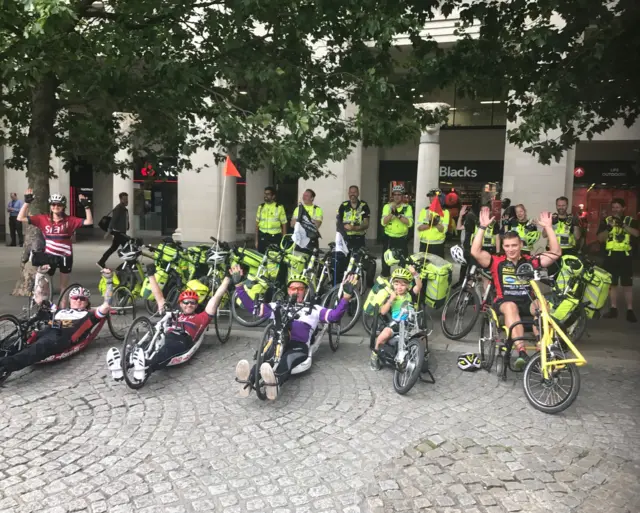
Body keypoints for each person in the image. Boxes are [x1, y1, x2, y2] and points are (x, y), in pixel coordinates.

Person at [232, 264, 358, 400]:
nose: (296, 291)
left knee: (288, 358)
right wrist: (239, 287)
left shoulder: (314, 309)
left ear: (305, 291)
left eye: (300, 289)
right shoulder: (278, 306)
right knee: (266, 357)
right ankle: (248, 381)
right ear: (288, 290)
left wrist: (345, 297)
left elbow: (334, 316)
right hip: (277, 341)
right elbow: (254, 308)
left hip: (298, 345)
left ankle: (276, 383)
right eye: (293, 288)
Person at [106, 263, 232, 381]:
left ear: (196, 305)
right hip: (164, 334)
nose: (189, 305)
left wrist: (227, 278)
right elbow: (159, 297)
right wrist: (151, 275)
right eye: (185, 302)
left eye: (192, 302)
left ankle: (147, 366)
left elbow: (216, 298)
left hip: (182, 339)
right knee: (143, 346)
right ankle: (122, 365)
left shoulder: (201, 317)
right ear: (180, 304)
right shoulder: (173, 314)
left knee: (165, 348)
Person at [472, 207, 561, 370]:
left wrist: (548, 227)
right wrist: (482, 227)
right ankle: (521, 352)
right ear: (503, 247)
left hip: (528, 301)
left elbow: (555, 253)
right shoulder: (497, 261)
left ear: (521, 244)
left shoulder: (530, 261)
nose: (511, 249)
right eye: (507, 246)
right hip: (505, 301)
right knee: (511, 307)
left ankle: (544, 348)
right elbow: (475, 251)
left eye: (514, 245)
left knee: (543, 306)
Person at [0, 266, 114, 380]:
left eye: (82, 298)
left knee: (33, 350)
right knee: (16, 341)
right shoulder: (60, 310)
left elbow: (106, 305)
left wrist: (109, 280)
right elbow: (40, 299)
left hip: (60, 338)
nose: (78, 300)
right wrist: (40, 275)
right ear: (70, 300)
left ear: (87, 302)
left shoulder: (90, 315)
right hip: (45, 331)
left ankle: (4, 364)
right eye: (75, 297)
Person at [17, 189, 93, 296]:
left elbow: (89, 221)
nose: (55, 207)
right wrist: (27, 202)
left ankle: (62, 309)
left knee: (64, 287)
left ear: (63, 206)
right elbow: (20, 218)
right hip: (49, 255)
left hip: (65, 256)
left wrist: (86, 206)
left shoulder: (70, 220)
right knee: (44, 286)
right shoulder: (43, 219)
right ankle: (45, 308)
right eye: (53, 205)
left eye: (58, 205)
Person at [369, 266, 422, 370]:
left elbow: (419, 286)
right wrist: (391, 299)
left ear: (408, 285)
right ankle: (374, 356)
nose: (399, 287)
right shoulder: (391, 296)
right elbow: (383, 311)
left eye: (403, 285)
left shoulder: (410, 294)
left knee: (421, 339)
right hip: (396, 323)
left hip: (409, 323)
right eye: (396, 284)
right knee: (382, 337)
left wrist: (415, 273)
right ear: (392, 284)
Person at [597, 198, 639, 322]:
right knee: (612, 284)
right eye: (614, 207)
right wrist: (609, 228)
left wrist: (623, 225)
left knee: (627, 285)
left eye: (618, 207)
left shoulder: (631, 221)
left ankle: (630, 310)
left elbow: (636, 234)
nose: (615, 209)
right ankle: (613, 308)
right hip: (611, 256)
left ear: (624, 208)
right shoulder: (606, 221)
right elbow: (600, 238)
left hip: (625, 257)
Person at [380, 185, 413, 277]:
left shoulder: (407, 207)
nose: (397, 196)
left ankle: (402, 282)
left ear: (402, 196)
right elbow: (383, 222)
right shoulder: (387, 206)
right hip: (389, 238)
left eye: (399, 194)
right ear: (392, 196)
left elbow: (409, 223)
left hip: (401, 239)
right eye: (395, 194)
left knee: (404, 263)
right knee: (386, 262)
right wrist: (391, 214)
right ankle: (385, 278)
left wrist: (398, 215)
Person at [97, 192, 130, 268]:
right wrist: (108, 231)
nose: (126, 200)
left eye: (127, 199)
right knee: (128, 249)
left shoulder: (123, 209)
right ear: (120, 199)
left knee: (113, 248)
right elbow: (113, 220)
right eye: (124, 199)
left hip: (121, 232)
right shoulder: (118, 208)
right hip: (119, 233)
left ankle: (101, 262)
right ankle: (129, 264)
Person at [417, 189, 449, 257]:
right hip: (424, 244)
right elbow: (419, 228)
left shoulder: (445, 212)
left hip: (438, 245)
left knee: (437, 267)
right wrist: (431, 224)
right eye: (430, 196)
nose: (431, 198)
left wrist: (435, 223)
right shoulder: (424, 211)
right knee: (422, 266)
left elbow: (443, 230)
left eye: (433, 196)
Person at [337, 185, 370, 251]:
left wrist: (354, 228)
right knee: (345, 259)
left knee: (358, 260)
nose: (352, 194)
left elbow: (366, 224)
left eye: (354, 192)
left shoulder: (363, 206)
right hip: (345, 238)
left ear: (358, 193)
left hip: (359, 238)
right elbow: (338, 222)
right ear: (348, 194)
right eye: (351, 192)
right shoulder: (344, 205)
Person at [255, 186, 287, 253]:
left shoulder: (279, 207)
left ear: (273, 196)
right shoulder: (261, 207)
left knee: (274, 258)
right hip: (262, 236)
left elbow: (284, 224)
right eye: (265, 194)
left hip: (275, 237)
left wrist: (283, 240)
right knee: (261, 257)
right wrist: (256, 240)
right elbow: (257, 224)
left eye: (268, 194)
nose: (266, 196)